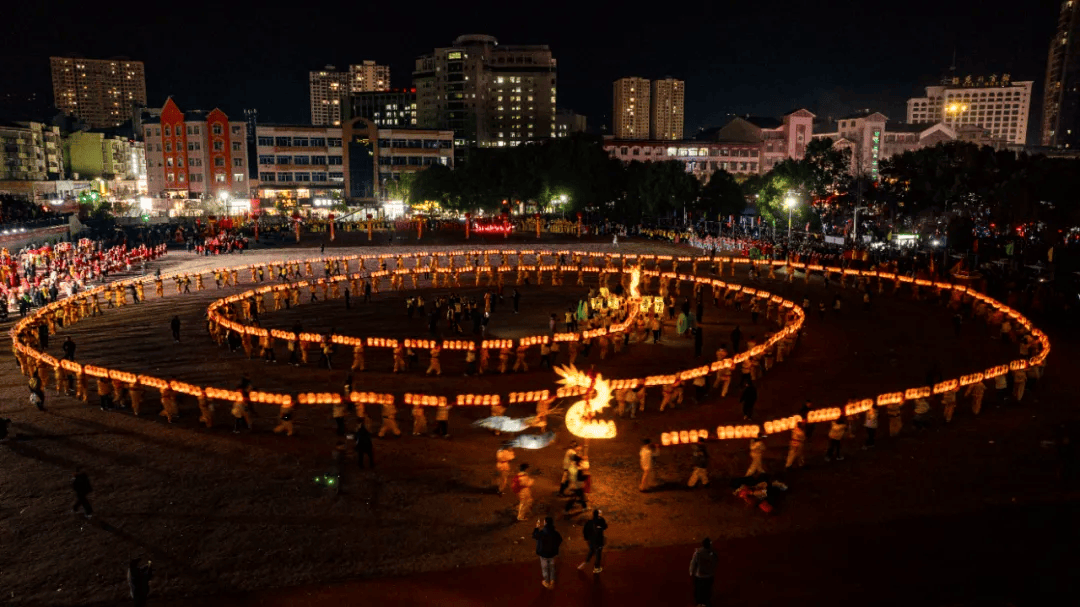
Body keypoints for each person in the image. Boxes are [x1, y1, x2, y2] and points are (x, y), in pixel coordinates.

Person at [532, 516, 563, 589]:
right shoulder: (555, 533)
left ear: (545, 522)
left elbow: (534, 536)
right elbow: (560, 540)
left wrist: (536, 527)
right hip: (552, 553)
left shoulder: (542, 532)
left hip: (543, 554)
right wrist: (555, 546)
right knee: (552, 567)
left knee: (545, 568)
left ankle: (546, 581)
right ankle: (552, 580)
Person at [689, 538, 718, 607]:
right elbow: (715, 562)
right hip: (709, 575)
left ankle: (699, 603)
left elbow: (693, 563)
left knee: (699, 590)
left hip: (699, 576)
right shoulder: (713, 552)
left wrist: (691, 571)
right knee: (707, 590)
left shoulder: (698, 552)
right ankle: (706, 603)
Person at [578, 509, 608, 573]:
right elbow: (605, 527)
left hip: (591, 541)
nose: (601, 514)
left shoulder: (589, 522)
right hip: (598, 541)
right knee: (598, 554)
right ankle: (596, 568)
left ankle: (586, 562)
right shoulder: (601, 521)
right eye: (600, 513)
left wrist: (586, 539)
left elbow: (585, 531)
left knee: (591, 551)